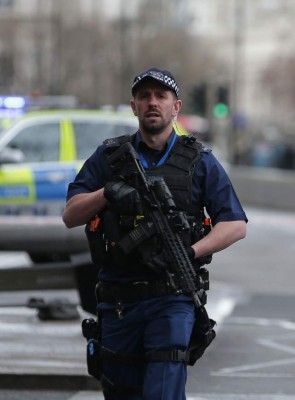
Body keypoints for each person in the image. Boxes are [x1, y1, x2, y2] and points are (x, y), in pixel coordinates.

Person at [63, 67, 247, 399]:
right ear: (133, 106)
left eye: (161, 96)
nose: (152, 103)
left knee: (163, 390)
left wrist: (191, 253)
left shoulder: (199, 161)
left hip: (172, 297)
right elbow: (71, 214)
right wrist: (107, 192)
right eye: (144, 96)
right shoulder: (110, 157)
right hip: (119, 299)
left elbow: (235, 224)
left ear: (175, 107)